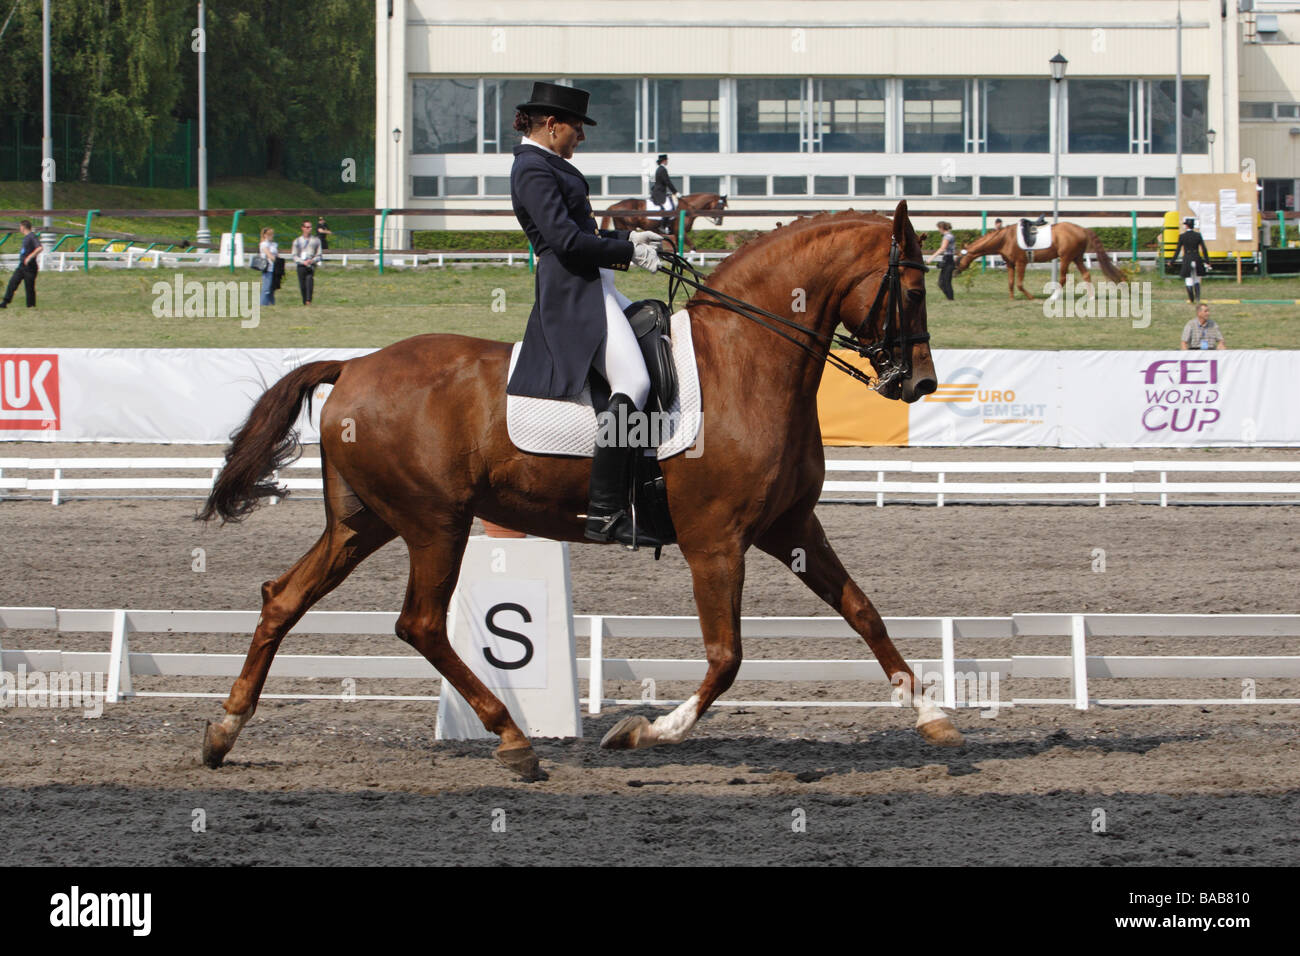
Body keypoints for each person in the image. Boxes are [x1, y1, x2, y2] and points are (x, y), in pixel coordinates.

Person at [506, 80, 665, 547]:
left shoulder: (548, 163)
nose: (583, 136)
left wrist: (627, 243)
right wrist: (625, 249)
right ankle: (605, 512)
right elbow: (565, 241)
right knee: (632, 383)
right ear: (552, 125)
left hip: (596, 284)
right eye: (578, 127)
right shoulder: (532, 169)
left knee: (660, 345)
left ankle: (651, 477)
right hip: (573, 292)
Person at [0, 219, 41, 309]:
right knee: (12, 283)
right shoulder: (26, 237)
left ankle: (31, 306)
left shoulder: (32, 236)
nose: (20, 228)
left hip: (30, 267)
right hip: (22, 266)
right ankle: (5, 302)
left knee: (29, 287)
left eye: (20, 226)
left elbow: (39, 248)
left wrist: (30, 257)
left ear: (23, 227)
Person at [1175, 216, 1210, 303]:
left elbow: (1178, 250)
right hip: (1197, 258)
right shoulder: (1198, 235)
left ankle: (1191, 298)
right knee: (1197, 279)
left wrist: (1172, 261)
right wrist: (1207, 261)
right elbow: (1204, 249)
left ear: (1186, 226)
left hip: (1187, 259)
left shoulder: (1182, 236)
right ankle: (1197, 297)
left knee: (1188, 279)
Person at [292, 219, 322, 305]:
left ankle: (309, 300)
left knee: (309, 281)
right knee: (302, 285)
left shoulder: (316, 240)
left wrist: (312, 260)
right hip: (301, 265)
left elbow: (319, 254)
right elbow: (294, 255)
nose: (309, 229)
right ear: (303, 228)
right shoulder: (297, 241)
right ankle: (304, 300)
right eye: (307, 227)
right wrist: (302, 261)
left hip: (311, 264)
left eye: (310, 227)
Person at [648, 154, 678, 234]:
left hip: (660, 191)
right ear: (664, 161)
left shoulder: (659, 169)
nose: (667, 161)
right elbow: (667, 182)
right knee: (668, 208)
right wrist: (675, 192)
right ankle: (663, 226)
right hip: (659, 193)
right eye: (666, 160)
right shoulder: (662, 169)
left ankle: (665, 225)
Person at [930, 220, 956, 300]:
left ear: (941, 228)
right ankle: (950, 298)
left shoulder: (947, 236)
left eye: (939, 228)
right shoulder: (950, 235)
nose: (938, 231)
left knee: (945, 282)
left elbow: (942, 248)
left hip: (948, 259)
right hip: (948, 259)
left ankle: (951, 299)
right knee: (942, 282)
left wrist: (932, 257)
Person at [258, 227, 278, 306]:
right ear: (265, 235)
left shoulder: (274, 244)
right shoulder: (263, 244)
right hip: (267, 267)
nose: (271, 236)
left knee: (272, 288)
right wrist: (275, 259)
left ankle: (271, 303)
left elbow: (276, 254)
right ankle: (263, 303)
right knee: (266, 287)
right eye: (269, 234)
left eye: (272, 234)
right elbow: (269, 254)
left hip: (274, 268)